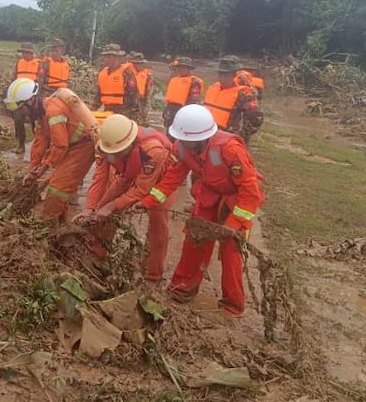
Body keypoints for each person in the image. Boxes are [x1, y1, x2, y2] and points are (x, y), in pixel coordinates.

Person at [141, 104, 264, 317]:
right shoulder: (181, 147)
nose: (184, 143)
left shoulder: (229, 148)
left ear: (202, 137)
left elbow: (249, 190)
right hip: (208, 196)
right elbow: (172, 178)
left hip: (236, 201)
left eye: (188, 140)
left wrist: (233, 224)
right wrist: (149, 202)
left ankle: (232, 306)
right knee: (194, 239)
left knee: (230, 251)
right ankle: (182, 290)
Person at [75, 114, 171, 286]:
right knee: (101, 210)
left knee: (158, 224)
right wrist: (90, 208)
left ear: (132, 142)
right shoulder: (104, 146)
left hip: (160, 182)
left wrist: (114, 205)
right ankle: (97, 255)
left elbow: (142, 189)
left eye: (120, 152)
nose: (116, 155)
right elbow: (100, 177)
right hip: (128, 174)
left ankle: (152, 275)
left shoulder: (152, 151)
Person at [6, 77, 96, 224]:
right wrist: (33, 171)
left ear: (30, 101)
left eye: (21, 109)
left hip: (83, 147)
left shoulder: (54, 112)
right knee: (59, 186)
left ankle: (48, 225)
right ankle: (61, 224)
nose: (22, 114)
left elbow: (60, 145)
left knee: (56, 188)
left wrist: (44, 167)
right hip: (71, 146)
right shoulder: (41, 115)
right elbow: (39, 144)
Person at [204, 56, 263, 143]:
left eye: (226, 75)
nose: (222, 79)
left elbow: (256, 117)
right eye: (221, 75)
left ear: (234, 75)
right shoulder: (213, 88)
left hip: (227, 139)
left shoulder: (243, 94)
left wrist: (243, 135)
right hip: (208, 135)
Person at [11, 43, 41, 154]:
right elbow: (14, 78)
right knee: (18, 119)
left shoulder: (39, 64)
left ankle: (38, 145)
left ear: (31, 53)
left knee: (35, 123)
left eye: (27, 52)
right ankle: (21, 144)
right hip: (19, 96)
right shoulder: (19, 63)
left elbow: (41, 81)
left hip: (33, 97)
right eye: (23, 52)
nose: (25, 54)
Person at [95, 43, 138, 117]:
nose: (105, 59)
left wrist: (133, 114)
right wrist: (93, 110)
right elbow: (98, 95)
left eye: (109, 57)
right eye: (105, 57)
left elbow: (134, 96)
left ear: (117, 58)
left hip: (124, 111)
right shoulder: (102, 73)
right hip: (107, 110)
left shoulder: (127, 73)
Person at [162, 57, 204, 133]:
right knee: (169, 132)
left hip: (183, 111)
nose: (181, 69)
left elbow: (194, 102)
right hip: (171, 110)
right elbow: (169, 98)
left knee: (180, 134)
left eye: (184, 67)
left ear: (189, 69)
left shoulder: (194, 82)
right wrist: (166, 110)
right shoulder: (174, 80)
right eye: (180, 67)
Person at [127, 52, 154, 126]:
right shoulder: (127, 73)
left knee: (142, 124)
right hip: (129, 104)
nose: (138, 65)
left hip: (141, 102)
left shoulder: (147, 75)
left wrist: (146, 109)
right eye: (136, 63)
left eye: (140, 63)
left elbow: (149, 93)